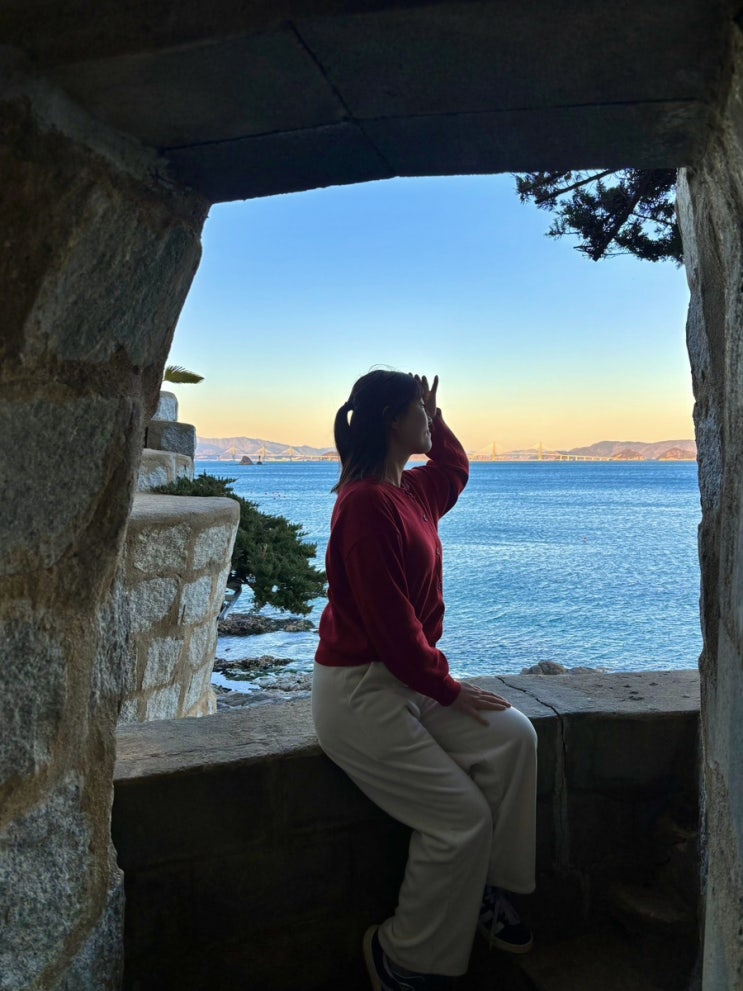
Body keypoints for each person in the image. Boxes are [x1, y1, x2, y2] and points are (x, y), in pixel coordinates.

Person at [312, 369, 537, 990]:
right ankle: (401, 958)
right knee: (460, 819)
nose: (429, 420)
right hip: (360, 692)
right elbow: (390, 628)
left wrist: (437, 416)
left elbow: (456, 468)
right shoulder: (364, 506)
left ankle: (483, 889)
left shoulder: (412, 490)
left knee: (514, 738)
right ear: (393, 420)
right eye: (420, 409)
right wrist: (450, 688)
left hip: (408, 679)